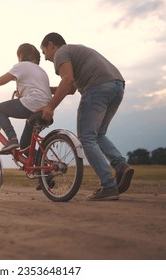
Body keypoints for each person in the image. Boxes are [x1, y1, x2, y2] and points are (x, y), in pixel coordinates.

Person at [39, 32, 134, 201]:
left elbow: (67, 80)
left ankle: (109, 185)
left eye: (44, 51)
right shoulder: (76, 51)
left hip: (97, 87)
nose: (45, 58)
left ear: (52, 45)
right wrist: (46, 90)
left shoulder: (62, 52)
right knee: (98, 135)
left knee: (86, 138)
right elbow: (70, 88)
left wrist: (50, 106)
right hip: (117, 86)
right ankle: (121, 165)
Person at [0, 43, 51, 154]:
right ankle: (44, 164)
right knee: (25, 146)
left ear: (20, 55)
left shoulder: (21, 66)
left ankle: (12, 138)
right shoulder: (41, 71)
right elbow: (36, 88)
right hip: (46, 108)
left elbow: (1, 80)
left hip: (32, 104)